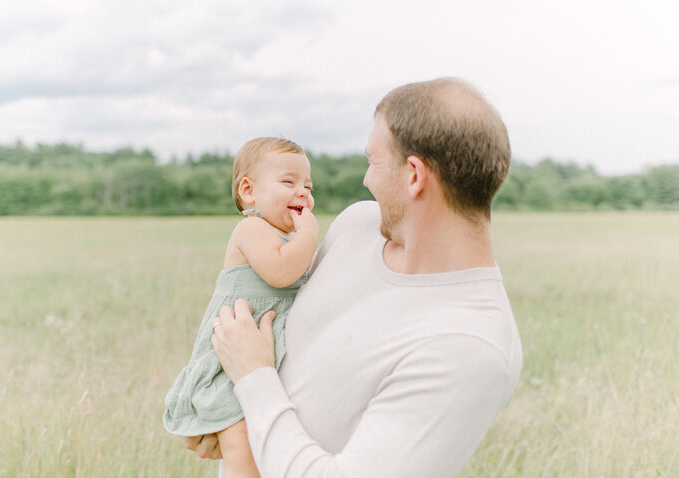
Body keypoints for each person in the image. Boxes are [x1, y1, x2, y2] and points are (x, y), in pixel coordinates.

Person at [191, 77, 523, 477]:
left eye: (374, 162)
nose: (366, 180)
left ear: (414, 175)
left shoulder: (470, 347)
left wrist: (252, 379)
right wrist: (222, 411)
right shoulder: (357, 226)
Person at [164, 137, 319, 477]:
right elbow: (281, 273)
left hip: (260, 359)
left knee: (264, 443)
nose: (303, 193)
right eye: (289, 182)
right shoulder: (252, 228)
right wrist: (308, 234)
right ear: (248, 191)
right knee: (240, 445)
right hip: (229, 362)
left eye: (308, 186)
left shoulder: (286, 240)